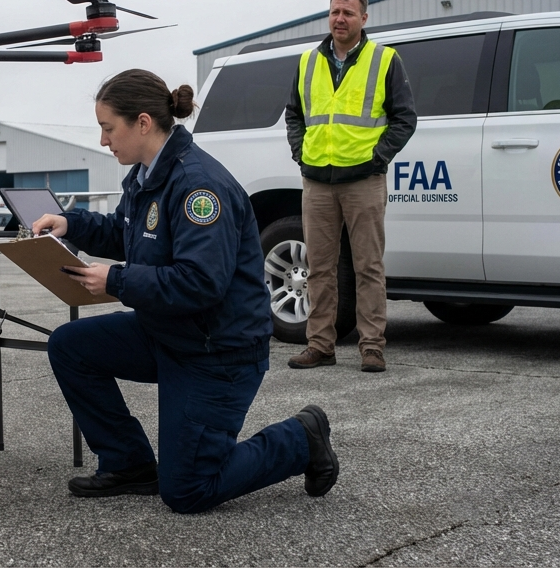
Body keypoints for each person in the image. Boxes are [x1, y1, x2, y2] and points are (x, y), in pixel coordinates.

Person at [32, 68, 338, 514]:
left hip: (217, 350)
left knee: (189, 490)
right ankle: (130, 464)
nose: (103, 141)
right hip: (171, 333)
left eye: (107, 128)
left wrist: (114, 280)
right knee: (70, 346)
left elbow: (200, 283)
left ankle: (300, 438)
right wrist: (71, 224)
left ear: (142, 122)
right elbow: (128, 234)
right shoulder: (145, 174)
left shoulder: (198, 186)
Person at [284, 0, 417, 373]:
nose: (339, 18)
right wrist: (301, 153)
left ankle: (371, 346)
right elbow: (294, 115)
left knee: (368, 266)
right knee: (320, 267)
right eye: (334, 12)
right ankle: (320, 344)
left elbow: (405, 118)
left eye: (347, 12)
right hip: (318, 181)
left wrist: (377, 158)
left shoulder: (385, 60)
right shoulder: (308, 62)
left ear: (364, 18)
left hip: (363, 179)